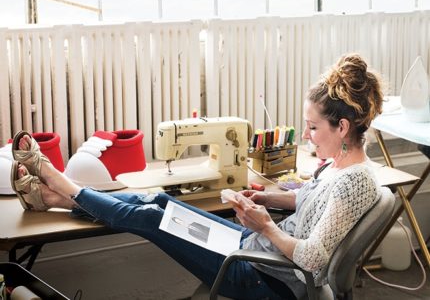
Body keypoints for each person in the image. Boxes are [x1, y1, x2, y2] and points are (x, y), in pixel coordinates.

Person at [10, 53, 383, 299]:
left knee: (151, 219)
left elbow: (315, 259)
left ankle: (60, 183)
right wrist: (266, 200)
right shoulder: (336, 165)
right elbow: (307, 201)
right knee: (159, 202)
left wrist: (267, 226)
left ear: (343, 127)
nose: (305, 136)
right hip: (254, 248)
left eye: (313, 128)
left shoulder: (355, 183)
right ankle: (57, 198)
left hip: (266, 277)